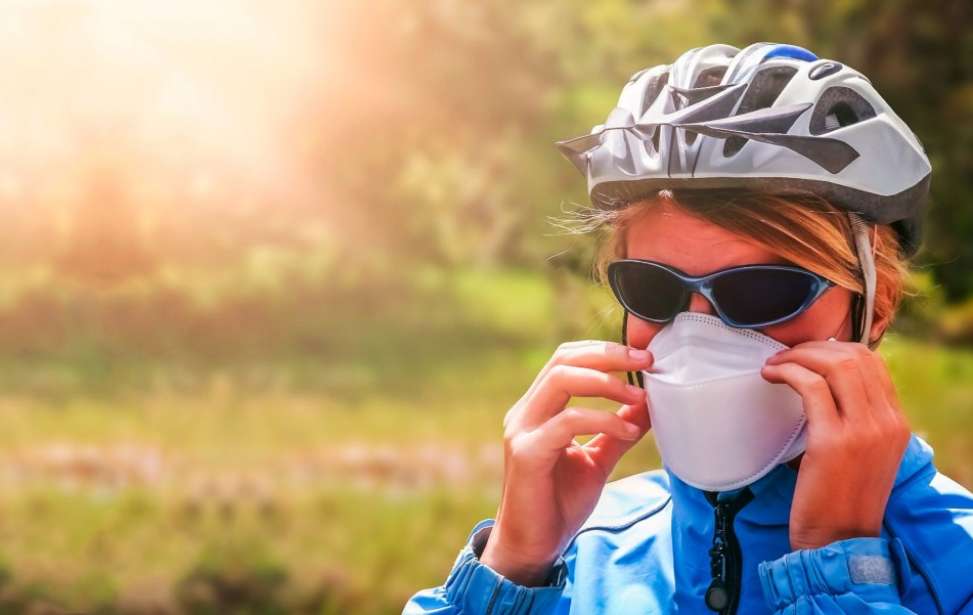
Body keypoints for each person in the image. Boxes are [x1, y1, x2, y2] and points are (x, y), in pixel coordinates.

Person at [402, 42, 973, 614]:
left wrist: (838, 572)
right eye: (654, 289)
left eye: (759, 291)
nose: (698, 333)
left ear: (875, 308)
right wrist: (511, 570)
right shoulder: (585, 549)